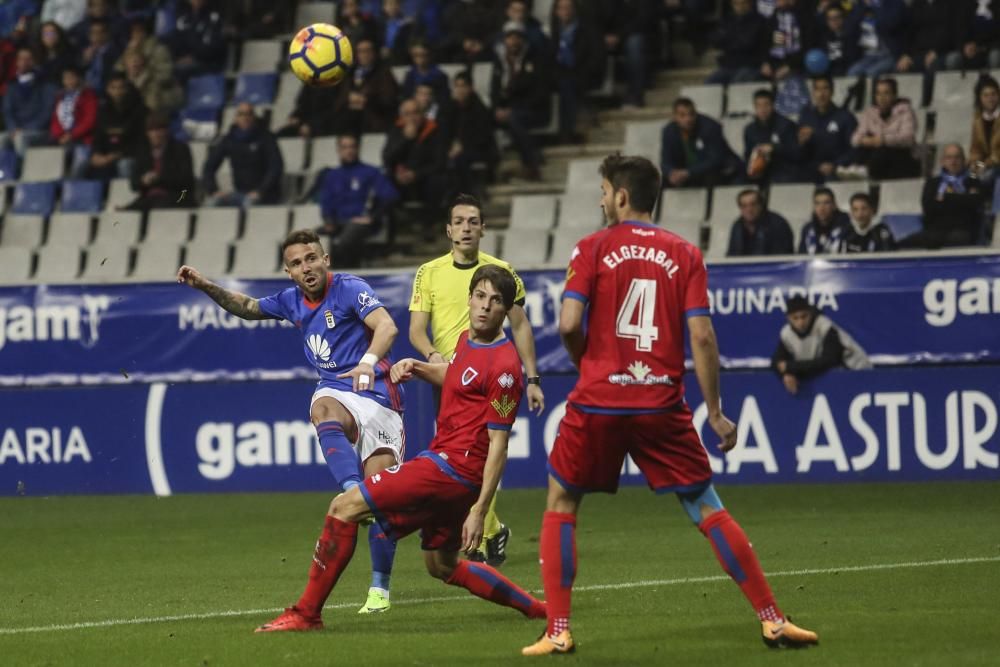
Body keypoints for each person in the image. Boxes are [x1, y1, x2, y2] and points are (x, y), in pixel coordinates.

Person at [522, 154, 819, 656]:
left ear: (620, 195)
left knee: (561, 503)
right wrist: (717, 411)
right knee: (707, 505)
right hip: (661, 400)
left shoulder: (591, 247)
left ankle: (558, 631)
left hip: (599, 399)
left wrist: (589, 363)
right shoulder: (685, 253)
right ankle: (771, 619)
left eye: (603, 191)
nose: (600, 199)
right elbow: (701, 335)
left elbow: (570, 323)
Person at [250, 263, 547, 632]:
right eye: (480, 296)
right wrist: (418, 367)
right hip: (449, 471)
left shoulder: (505, 369)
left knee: (344, 507)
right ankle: (537, 609)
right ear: (469, 299)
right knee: (442, 565)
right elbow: (457, 376)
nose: (486, 306)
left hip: (449, 471)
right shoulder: (467, 341)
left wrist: (480, 510)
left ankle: (307, 613)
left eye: (496, 301)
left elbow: (499, 446)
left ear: (506, 310)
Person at [176, 228, 406, 617]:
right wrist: (204, 286)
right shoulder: (290, 301)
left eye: (312, 258)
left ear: (325, 260)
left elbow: (387, 326)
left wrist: (367, 362)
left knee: (382, 502)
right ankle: (351, 489)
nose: (306, 267)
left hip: (381, 398)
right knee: (322, 408)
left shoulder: (350, 288)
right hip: (336, 390)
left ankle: (379, 590)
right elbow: (247, 307)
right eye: (297, 263)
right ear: (289, 272)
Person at [409, 193, 545, 565]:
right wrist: (433, 356)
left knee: (486, 449)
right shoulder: (429, 272)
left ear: (483, 228)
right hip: (450, 377)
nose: (466, 228)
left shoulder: (500, 271)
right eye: (459, 221)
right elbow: (417, 330)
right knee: (458, 458)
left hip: (490, 375)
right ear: (448, 229)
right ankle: (492, 527)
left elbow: (520, 325)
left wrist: (532, 377)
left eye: (473, 221)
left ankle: (480, 537)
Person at [314, 134, 400, 266]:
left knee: (348, 237)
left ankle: (341, 274)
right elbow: (326, 202)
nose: (349, 150)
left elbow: (390, 196)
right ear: (338, 150)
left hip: (362, 222)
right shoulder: (332, 175)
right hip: (338, 223)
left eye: (352, 147)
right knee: (309, 239)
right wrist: (329, 221)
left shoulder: (371, 172)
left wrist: (373, 217)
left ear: (358, 149)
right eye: (345, 147)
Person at [772, 294, 872, 395]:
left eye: (804, 316)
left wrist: (790, 367)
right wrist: (785, 374)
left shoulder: (824, 327)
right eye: (795, 318)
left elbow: (829, 361)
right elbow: (777, 362)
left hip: (858, 371)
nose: (800, 322)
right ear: (788, 318)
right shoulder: (786, 333)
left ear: (810, 313)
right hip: (835, 378)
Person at [490, 20, 551, 181]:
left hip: (533, 110)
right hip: (506, 109)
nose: (513, 41)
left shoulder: (535, 59)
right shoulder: (499, 61)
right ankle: (492, 168)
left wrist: (512, 109)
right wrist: (496, 108)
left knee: (515, 119)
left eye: (517, 37)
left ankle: (531, 162)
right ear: (504, 39)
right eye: (510, 37)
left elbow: (540, 93)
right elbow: (494, 90)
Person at [202, 102, 284, 207]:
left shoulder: (266, 138)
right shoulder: (229, 139)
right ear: (236, 118)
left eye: (248, 114)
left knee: (249, 203)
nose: (245, 118)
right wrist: (213, 190)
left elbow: (275, 167)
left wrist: (261, 190)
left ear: (254, 117)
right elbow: (209, 167)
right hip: (240, 193)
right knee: (213, 203)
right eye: (241, 114)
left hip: (265, 194)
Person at [908, 143, 986, 248]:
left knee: (954, 240)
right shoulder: (933, 183)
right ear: (942, 161)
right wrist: (960, 199)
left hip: (962, 230)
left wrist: (945, 198)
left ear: (964, 160)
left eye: (957, 157)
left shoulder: (973, 182)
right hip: (935, 230)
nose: (953, 162)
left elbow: (974, 203)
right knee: (906, 244)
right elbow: (928, 207)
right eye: (949, 158)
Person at [382, 98, 446, 219]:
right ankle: (395, 222)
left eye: (415, 112)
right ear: (402, 117)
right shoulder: (396, 130)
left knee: (437, 180)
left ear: (422, 113)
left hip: (423, 178)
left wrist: (415, 174)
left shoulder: (433, 130)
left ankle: (430, 222)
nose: (412, 117)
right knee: (384, 180)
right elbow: (387, 158)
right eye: (407, 114)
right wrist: (406, 139)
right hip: (400, 179)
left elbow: (440, 162)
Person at [660, 97, 742, 188]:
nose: (688, 119)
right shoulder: (669, 131)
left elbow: (716, 160)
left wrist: (688, 172)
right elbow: (665, 161)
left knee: (711, 177)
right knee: (662, 181)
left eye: (691, 114)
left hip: (718, 170)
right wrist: (671, 173)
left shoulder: (710, 127)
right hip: (688, 172)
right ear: (675, 117)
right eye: (682, 115)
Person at [850, 77, 920, 180]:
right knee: (863, 149)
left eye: (886, 93)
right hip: (877, 157)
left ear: (894, 95)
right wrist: (866, 140)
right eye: (878, 93)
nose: (881, 97)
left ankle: (865, 170)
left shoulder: (905, 111)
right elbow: (854, 139)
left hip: (900, 157)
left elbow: (908, 139)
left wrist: (883, 140)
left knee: (882, 151)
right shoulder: (870, 113)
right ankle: (860, 169)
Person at [124, 112, 194, 211]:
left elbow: (185, 181)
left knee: (160, 206)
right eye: (152, 130)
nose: (156, 134)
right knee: (126, 213)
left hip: (179, 196)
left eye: (159, 130)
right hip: (150, 198)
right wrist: (143, 180)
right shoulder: (144, 152)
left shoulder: (180, 149)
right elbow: (134, 183)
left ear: (167, 131)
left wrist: (159, 179)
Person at [87, 72, 146, 180]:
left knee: (124, 165)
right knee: (86, 166)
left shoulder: (139, 110)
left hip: (130, 156)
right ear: (107, 90)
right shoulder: (103, 111)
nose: (117, 92)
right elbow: (98, 137)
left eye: (121, 88)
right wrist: (96, 154)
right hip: (107, 157)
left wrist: (116, 155)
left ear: (127, 89)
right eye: (113, 88)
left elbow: (141, 141)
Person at [797, 75, 857, 181]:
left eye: (825, 88)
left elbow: (854, 149)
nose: (821, 94)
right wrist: (800, 143)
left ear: (832, 91)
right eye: (817, 89)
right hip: (812, 169)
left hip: (838, 169)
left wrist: (835, 164)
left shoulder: (845, 117)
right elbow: (800, 152)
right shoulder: (805, 117)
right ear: (813, 93)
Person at [1, 48, 56, 156]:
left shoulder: (45, 83)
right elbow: (7, 110)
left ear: (34, 61)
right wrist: (13, 127)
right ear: (16, 62)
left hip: (39, 130)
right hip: (16, 129)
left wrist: (25, 129)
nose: (24, 62)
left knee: (20, 138)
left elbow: (47, 111)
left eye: (28, 59)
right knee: (1, 139)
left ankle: (23, 171)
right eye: (21, 59)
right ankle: (5, 172)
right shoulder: (11, 85)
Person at [743, 88, 803, 184]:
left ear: (773, 105)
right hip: (759, 170)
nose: (762, 109)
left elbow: (796, 153)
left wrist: (774, 148)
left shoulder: (786, 125)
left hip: (783, 168)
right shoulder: (750, 129)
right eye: (758, 105)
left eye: (766, 105)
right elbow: (747, 155)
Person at [49, 65, 99, 179]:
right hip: (63, 139)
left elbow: (90, 120)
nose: (69, 81)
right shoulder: (60, 97)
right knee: (51, 160)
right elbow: (55, 120)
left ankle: (72, 188)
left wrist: (72, 135)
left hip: (83, 140)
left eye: (72, 77)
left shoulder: (89, 96)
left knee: (80, 161)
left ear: (79, 78)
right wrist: (61, 135)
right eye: (66, 78)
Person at [727, 188, 795, 256]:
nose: (749, 209)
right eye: (744, 206)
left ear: (760, 205)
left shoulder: (778, 224)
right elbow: (732, 255)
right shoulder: (737, 226)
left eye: (753, 204)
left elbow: (781, 257)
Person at [947, 0, 1000, 71]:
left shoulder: (997, 6)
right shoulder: (967, 5)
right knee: (952, 59)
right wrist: (964, 46)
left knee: (995, 56)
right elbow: (960, 31)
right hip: (970, 50)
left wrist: (983, 47)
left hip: (991, 48)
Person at [798, 187, 850, 254]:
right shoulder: (807, 229)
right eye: (817, 203)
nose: (821, 208)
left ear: (834, 205)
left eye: (826, 203)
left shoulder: (846, 227)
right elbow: (801, 256)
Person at [969, 75, 1000, 188]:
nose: (990, 99)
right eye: (986, 95)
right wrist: (975, 164)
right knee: (968, 176)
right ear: (980, 98)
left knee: (987, 177)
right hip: (986, 164)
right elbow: (975, 149)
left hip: (996, 164)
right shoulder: (978, 121)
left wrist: (986, 164)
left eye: (993, 94)